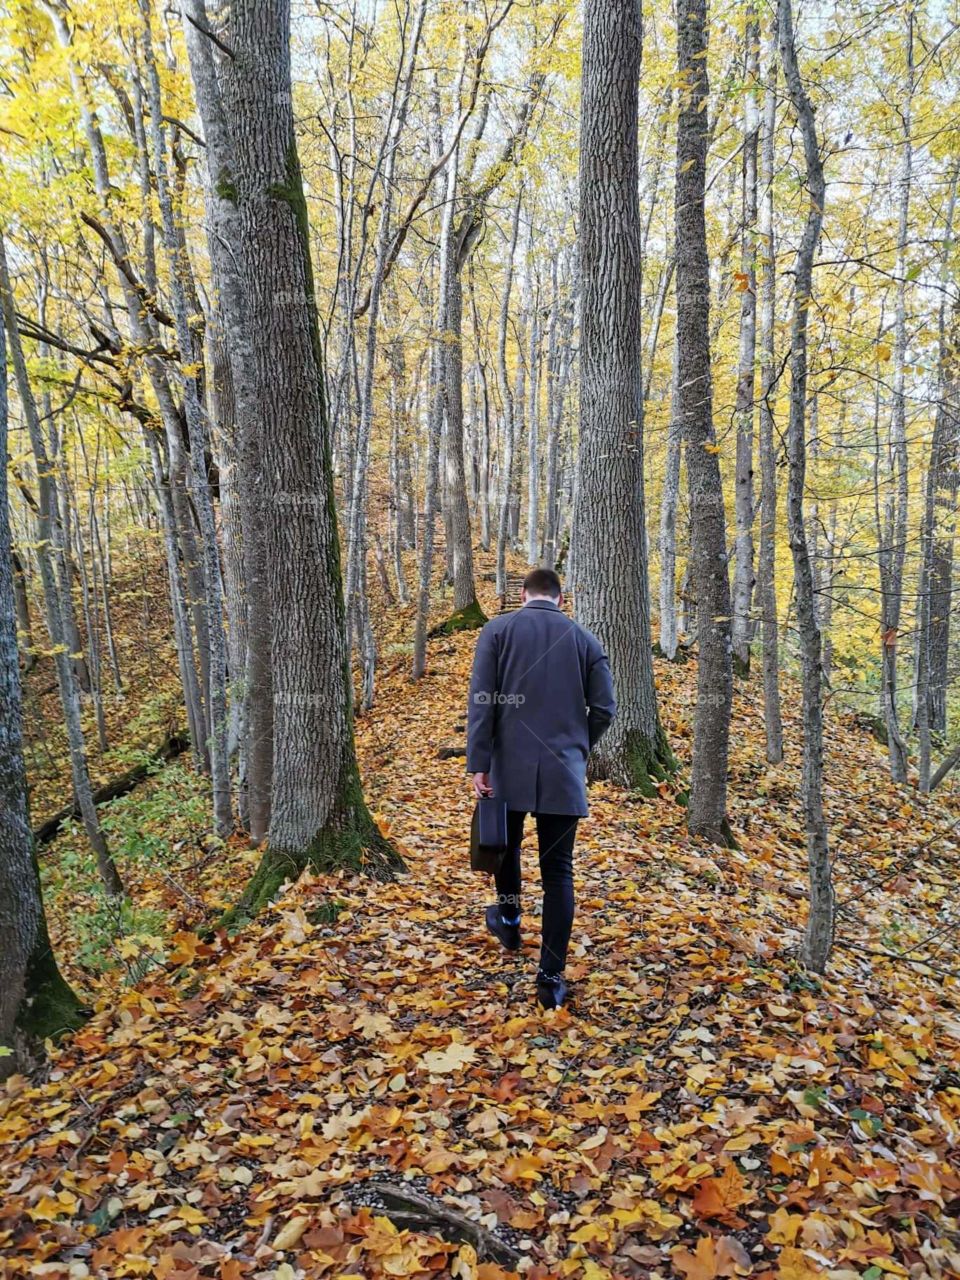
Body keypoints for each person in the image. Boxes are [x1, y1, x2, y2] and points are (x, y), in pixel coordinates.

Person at [466, 567, 616, 1009]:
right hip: (562, 772)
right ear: (560, 599)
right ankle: (550, 978)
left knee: (506, 848)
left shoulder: (498, 630)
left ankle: (509, 918)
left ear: (524, 595)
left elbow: (482, 700)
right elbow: (604, 708)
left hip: (506, 767)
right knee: (558, 873)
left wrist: (480, 763)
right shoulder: (585, 639)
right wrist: (576, 747)